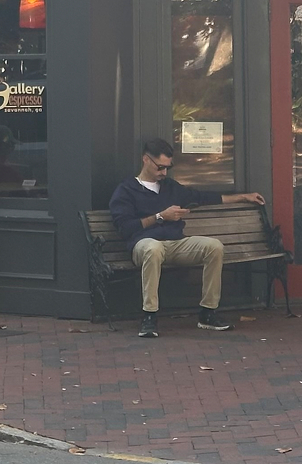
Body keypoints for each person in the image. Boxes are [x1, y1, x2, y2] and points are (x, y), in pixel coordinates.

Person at [108, 138, 266, 338]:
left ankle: (207, 313)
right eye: (160, 168)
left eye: (167, 168)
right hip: (144, 246)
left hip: (176, 244)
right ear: (146, 160)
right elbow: (125, 228)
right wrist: (160, 217)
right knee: (153, 249)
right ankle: (149, 316)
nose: (164, 173)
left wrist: (243, 197)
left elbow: (203, 197)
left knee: (213, 247)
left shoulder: (170, 187)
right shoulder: (126, 190)